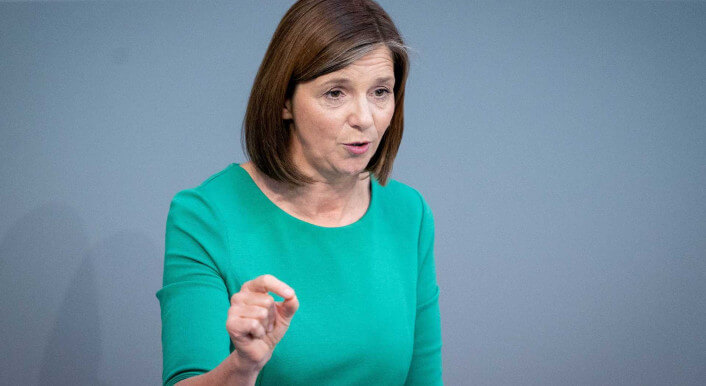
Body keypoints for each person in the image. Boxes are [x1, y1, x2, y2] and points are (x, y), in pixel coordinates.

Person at [155, 0, 443, 385]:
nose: (364, 118)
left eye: (380, 91)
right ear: (285, 100)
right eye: (335, 93)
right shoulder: (206, 215)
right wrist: (243, 367)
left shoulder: (409, 213)